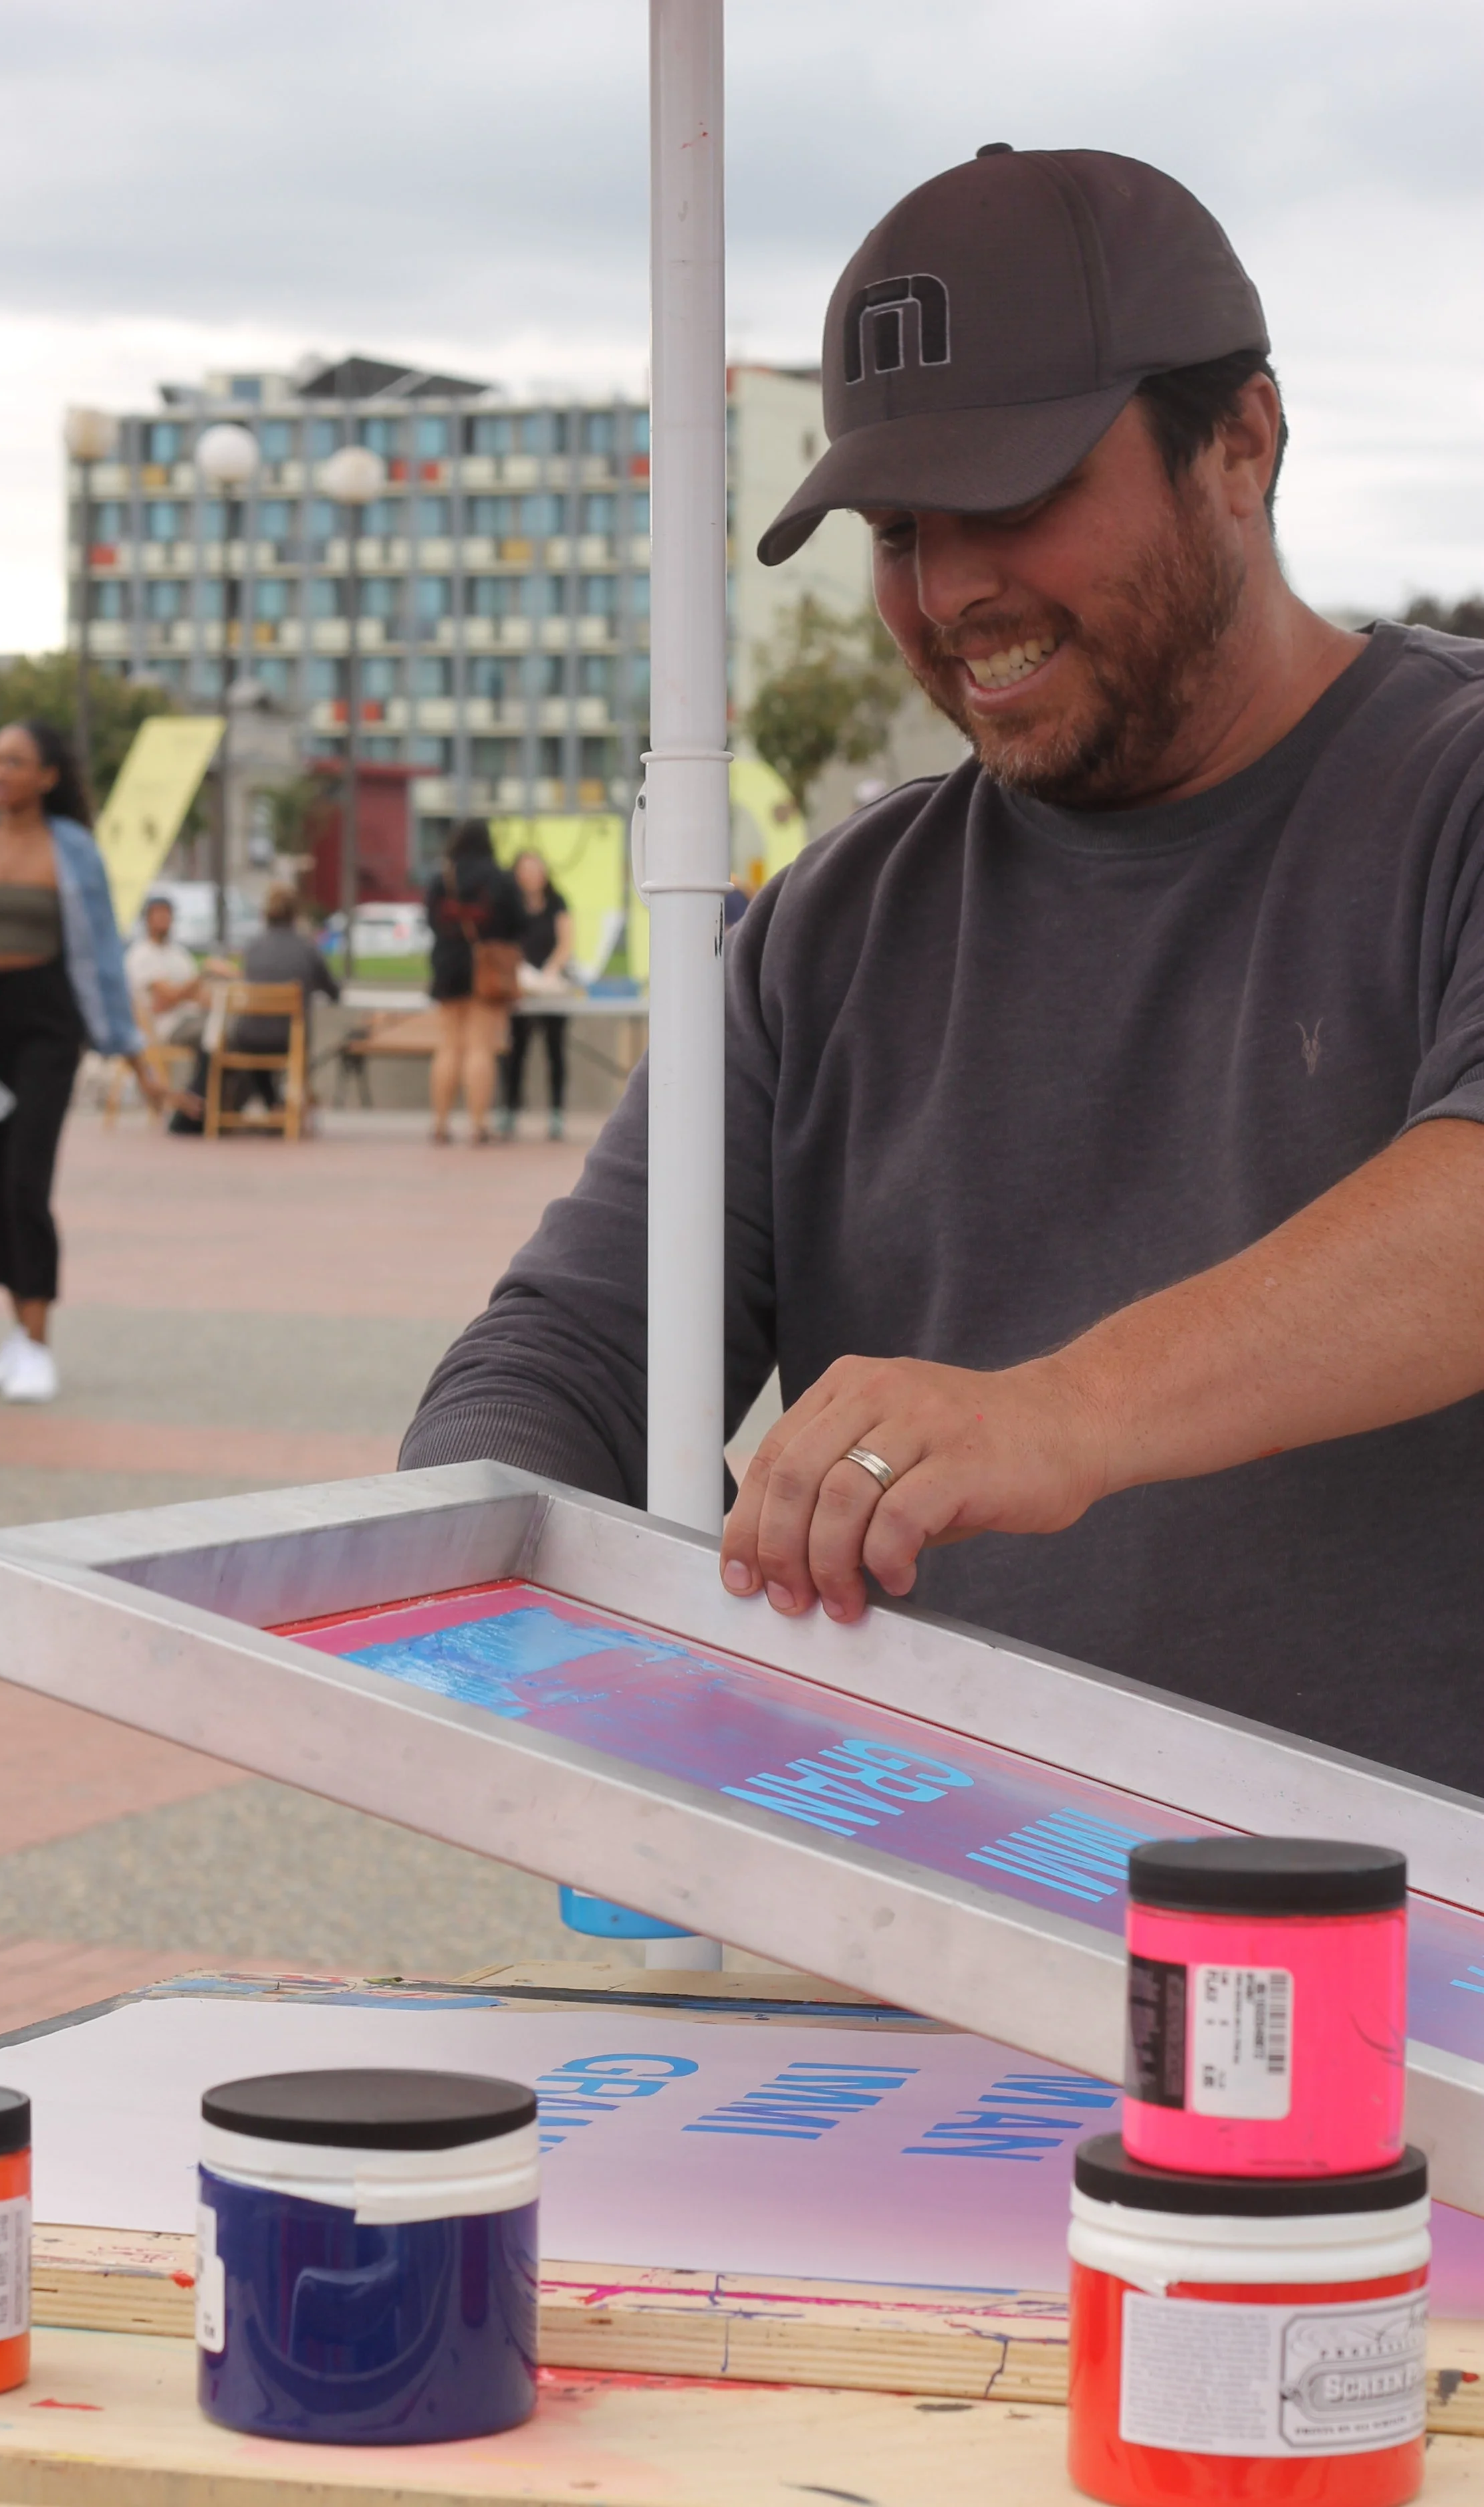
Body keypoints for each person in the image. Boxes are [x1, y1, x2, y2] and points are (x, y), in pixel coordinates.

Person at [402, 146, 1484, 1797]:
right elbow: (569, 1349)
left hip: (1408, 1961)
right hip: (944, 1940)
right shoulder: (834, 918)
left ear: (1243, 445)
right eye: (900, 529)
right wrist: (459, 1578)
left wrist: (1064, 1411)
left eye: (1015, 499)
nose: (950, 592)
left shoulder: (1451, 788)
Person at [0, 719, 161, 1403]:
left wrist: (132, 1051)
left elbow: (102, 957)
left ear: (47, 776)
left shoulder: (75, 851)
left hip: (47, 1027)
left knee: (26, 1181)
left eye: (14, 761)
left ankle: (40, 1344)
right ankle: (18, 1333)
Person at [425, 820, 525, 1145]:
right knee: (480, 1047)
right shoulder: (499, 878)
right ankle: (478, 1124)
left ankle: (440, 1124)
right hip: (488, 971)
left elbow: (430, 920)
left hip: (447, 966)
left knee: (449, 1045)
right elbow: (518, 922)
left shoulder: (441, 878)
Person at [225, 882, 339, 1116]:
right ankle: (279, 1106)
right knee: (296, 1031)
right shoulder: (307, 948)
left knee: (254, 1041)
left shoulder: (253, 948)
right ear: (296, 913)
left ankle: (273, 1104)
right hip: (289, 1038)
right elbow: (334, 992)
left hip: (248, 1036)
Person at [499, 848, 574, 1140]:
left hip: (551, 986)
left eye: (537, 868)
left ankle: (556, 1111)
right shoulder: (509, 905)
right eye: (526, 869)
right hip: (520, 987)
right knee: (515, 1051)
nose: (532, 875)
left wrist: (550, 972)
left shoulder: (557, 902)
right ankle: (510, 1109)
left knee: (556, 1050)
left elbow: (566, 942)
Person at [124, 892, 205, 1046]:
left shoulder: (179, 954)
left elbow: (201, 996)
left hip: (189, 1018)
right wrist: (203, 976)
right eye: (159, 914)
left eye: (167, 913)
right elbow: (167, 997)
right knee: (212, 1035)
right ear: (147, 919)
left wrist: (181, 996)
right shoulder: (140, 954)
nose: (164, 918)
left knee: (223, 1029)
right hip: (163, 1028)